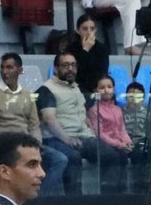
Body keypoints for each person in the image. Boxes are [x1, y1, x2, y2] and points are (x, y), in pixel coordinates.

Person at [0, 53, 67, 196]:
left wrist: (36, 144)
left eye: (9, 67)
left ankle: (40, 198)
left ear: (20, 70)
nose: (4, 71)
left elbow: (34, 125)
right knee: (19, 163)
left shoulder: (27, 95)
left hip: (24, 143)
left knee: (59, 159)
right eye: (2, 67)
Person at [38, 51, 109, 195]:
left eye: (73, 65)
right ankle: (74, 200)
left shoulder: (76, 88)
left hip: (83, 136)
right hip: (57, 138)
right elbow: (49, 119)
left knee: (113, 154)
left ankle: (111, 196)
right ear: (56, 69)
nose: (70, 69)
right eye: (65, 65)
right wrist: (67, 139)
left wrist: (92, 134)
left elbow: (84, 116)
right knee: (73, 157)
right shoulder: (46, 89)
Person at [87, 74, 146, 192]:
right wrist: (119, 145)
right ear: (95, 91)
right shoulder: (94, 110)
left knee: (140, 154)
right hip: (106, 145)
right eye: (102, 87)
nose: (106, 90)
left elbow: (122, 130)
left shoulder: (117, 109)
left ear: (113, 89)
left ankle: (135, 192)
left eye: (109, 87)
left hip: (120, 145)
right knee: (118, 157)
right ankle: (111, 192)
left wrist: (128, 142)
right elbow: (100, 133)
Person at [69, 13, 110, 96]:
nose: (89, 32)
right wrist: (85, 50)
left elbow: (102, 72)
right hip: (77, 88)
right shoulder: (71, 48)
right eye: (85, 29)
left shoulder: (102, 49)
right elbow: (75, 73)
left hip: (97, 88)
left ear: (95, 30)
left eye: (92, 29)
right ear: (78, 30)